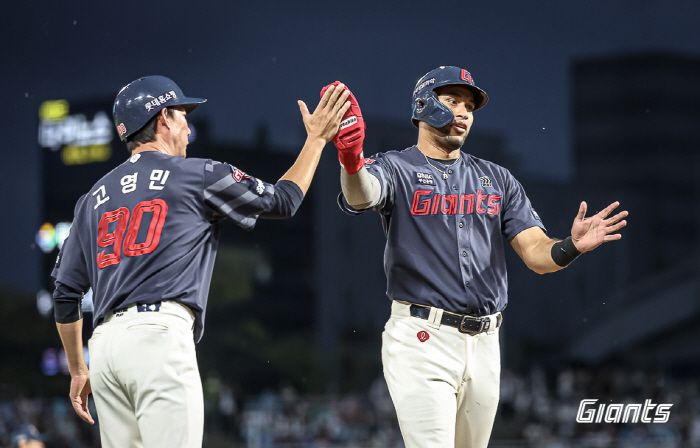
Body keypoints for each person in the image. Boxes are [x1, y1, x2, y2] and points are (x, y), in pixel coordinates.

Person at [333, 66, 628, 448]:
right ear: (422, 105)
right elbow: (363, 195)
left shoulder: (498, 179)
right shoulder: (395, 166)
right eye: (452, 100)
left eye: (469, 106)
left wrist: (570, 245)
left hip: (486, 342)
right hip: (423, 337)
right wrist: (351, 159)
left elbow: (537, 255)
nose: (463, 111)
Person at [52, 75, 351, 448]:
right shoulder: (198, 174)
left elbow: (65, 294)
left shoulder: (92, 198)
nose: (188, 129)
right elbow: (283, 201)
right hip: (158, 337)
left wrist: (79, 369)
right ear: (163, 119)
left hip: (105, 349)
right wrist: (316, 140)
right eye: (182, 116)